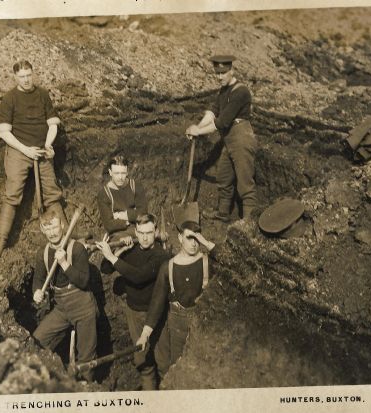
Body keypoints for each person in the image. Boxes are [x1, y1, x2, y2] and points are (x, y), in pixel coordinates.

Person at [0, 60, 67, 258]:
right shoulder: (10, 98)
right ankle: (0, 242)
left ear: (33, 74)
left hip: (41, 150)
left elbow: (53, 124)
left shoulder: (42, 94)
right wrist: (25, 150)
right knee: (12, 194)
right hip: (19, 151)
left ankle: (66, 233)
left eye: (28, 75)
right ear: (15, 77)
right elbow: (4, 132)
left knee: (52, 192)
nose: (26, 80)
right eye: (22, 76)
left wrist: (47, 145)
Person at [95, 213, 170, 390]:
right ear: (135, 232)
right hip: (134, 313)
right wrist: (119, 251)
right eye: (141, 233)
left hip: (157, 314)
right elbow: (105, 269)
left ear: (156, 232)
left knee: (164, 362)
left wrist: (112, 257)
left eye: (149, 233)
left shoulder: (161, 255)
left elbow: (138, 276)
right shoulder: (132, 249)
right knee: (143, 361)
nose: (144, 238)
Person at [185, 55, 257, 221]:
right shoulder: (224, 91)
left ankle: (248, 223)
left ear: (232, 71)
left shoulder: (241, 92)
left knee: (245, 183)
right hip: (229, 140)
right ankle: (223, 213)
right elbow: (212, 113)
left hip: (242, 139)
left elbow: (221, 122)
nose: (219, 77)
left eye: (223, 73)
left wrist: (199, 132)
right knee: (224, 176)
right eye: (217, 73)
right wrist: (197, 127)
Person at [136, 221, 214, 368]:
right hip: (178, 325)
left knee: (204, 366)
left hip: (203, 322)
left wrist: (206, 243)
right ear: (180, 238)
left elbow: (228, 259)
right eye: (189, 238)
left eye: (197, 238)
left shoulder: (207, 262)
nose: (194, 243)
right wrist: (145, 334)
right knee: (178, 366)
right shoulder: (168, 267)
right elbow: (157, 302)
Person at [31, 208, 98, 381]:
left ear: (62, 225)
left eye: (54, 227)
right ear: (42, 229)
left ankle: (87, 388)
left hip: (83, 306)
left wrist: (64, 263)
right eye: (47, 228)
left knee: (86, 359)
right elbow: (38, 279)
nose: (52, 233)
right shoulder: (43, 253)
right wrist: (37, 291)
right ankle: (54, 377)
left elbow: (83, 281)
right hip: (61, 308)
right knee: (36, 341)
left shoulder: (77, 248)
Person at [96, 155, 148, 242]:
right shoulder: (104, 194)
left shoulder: (136, 186)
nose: (120, 177)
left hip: (140, 229)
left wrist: (121, 215)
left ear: (127, 172)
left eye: (123, 173)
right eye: (116, 173)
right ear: (110, 172)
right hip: (118, 234)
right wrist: (128, 221)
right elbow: (109, 225)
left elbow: (143, 213)